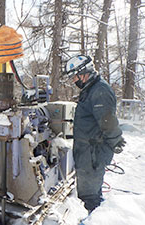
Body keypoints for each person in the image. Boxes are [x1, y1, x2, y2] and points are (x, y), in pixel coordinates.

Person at [63, 55, 126, 213]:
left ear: (85, 73)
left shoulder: (99, 91)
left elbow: (107, 121)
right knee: (89, 193)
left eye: (74, 77)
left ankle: (95, 218)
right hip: (87, 152)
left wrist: (115, 140)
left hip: (92, 154)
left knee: (90, 196)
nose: (73, 81)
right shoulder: (90, 89)